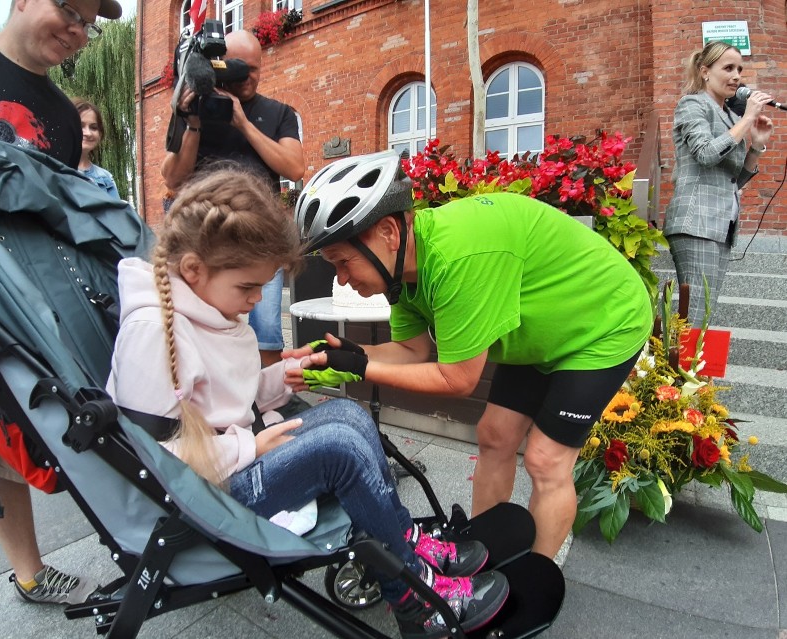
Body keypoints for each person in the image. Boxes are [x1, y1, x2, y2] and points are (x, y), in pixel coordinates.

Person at [105, 166, 510, 639]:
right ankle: (416, 603)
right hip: (196, 495)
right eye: (247, 288)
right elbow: (148, 458)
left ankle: (406, 542)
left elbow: (229, 396)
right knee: (337, 447)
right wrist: (248, 450)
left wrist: (283, 378)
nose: (258, 301)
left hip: (228, 462)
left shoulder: (212, 306)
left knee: (348, 415)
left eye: (262, 287)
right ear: (193, 269)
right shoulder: (153, 334)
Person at [286, 150, 653, 560]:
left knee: (546, 460)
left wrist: (362, 368)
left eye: (343, 261)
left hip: (604, 323)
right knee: (495, 435)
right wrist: (347, 355)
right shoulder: (403, 270)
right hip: (540, 329)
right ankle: (482, 555)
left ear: (388, 233)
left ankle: (533, 579)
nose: (341, 277)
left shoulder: (457, 259)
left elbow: (457, 379)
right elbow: (412, 351)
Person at [0, 1, 122, 637]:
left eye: (91, 22)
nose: (80, 30)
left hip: (17, 319)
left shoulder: (65, 117)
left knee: (14, 450)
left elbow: (58, 218)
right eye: (70, 9)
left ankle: (30, 571)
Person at [160, 29, 304, 368]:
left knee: (267, 328)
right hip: (208, 237)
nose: (248, 77)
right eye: (239, 69)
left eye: (254, 68)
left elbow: (294, 167)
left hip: (260, 237)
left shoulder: (278, 112)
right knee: (204, 324)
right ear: (219, 66)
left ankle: (269, 399)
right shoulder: (194, 106)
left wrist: (242, 122)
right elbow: (172, 177)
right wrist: (193, 121)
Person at [664, 41, 774, 327]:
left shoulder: (730, 116)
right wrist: (748, 118)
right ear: (704, 71)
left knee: (702, 314)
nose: (737, 76)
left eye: (739, 69)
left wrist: (757, 147)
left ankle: (688, 371)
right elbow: (706, 154)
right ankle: (679, 371)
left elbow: (735, 179)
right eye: (728, 68)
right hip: (696, 221)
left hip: (720, 225)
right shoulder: (692, 104)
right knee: (694, 316)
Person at [72, 97, 121, 199]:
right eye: (80, 126)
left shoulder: (105, 178)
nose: (88, 133)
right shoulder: (50, 169)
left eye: (93, 127)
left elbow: (113, 213)